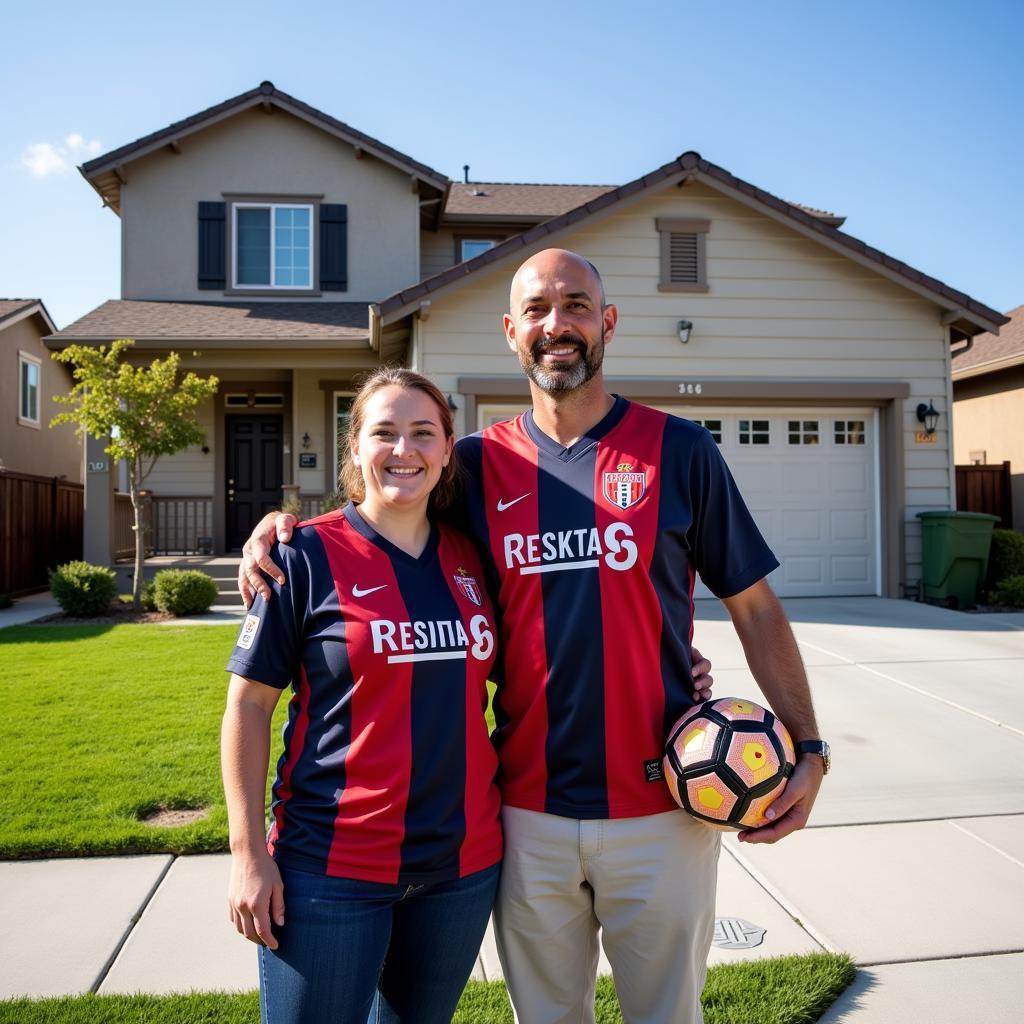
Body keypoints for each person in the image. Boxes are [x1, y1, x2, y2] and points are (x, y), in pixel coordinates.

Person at [239, 250, 826, 1024]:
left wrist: (809, 749)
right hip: (523, 817)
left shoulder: (681, 452)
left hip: (665, 810)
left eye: (577, 305)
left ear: (607, 322)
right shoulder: (475, 467)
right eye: (539, 311)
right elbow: (384, 502)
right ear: (512, 332)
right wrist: (284, 530)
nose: (559, 325)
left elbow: (754, 608)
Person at [222, 368, 505, 1024]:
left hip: (460, 869)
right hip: (330, 868)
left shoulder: (473, 558)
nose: (403, 450)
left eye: (421, 433)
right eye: (384, 433)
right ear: (355, 448)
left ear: (446, 449)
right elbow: (248, 706)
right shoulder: (301, 556)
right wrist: (248, 855)